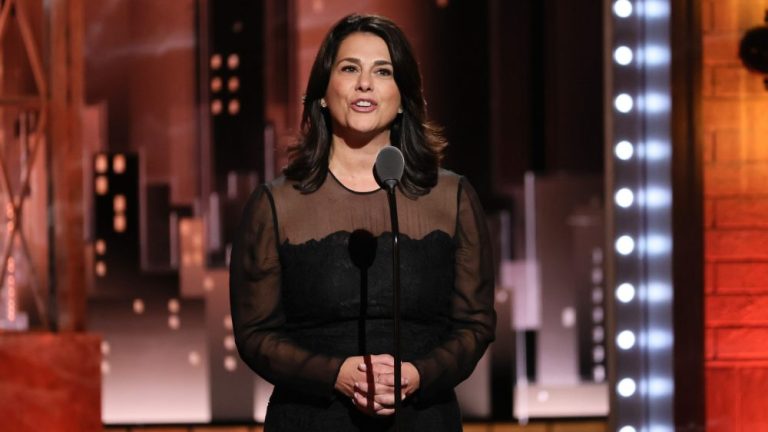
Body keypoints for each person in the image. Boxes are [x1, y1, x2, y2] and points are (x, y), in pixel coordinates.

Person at [230, 14, 496, 431]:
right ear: (321, 93)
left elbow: (475, 324)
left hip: (422, 419)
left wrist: (419, 375)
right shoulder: (276, 204)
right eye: (349, 68)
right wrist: (334, 373)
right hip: (312, 420)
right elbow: (256, 335)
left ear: (404, 96)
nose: (365, 84)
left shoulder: (452, 197)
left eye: (383, 71)